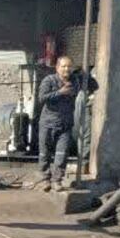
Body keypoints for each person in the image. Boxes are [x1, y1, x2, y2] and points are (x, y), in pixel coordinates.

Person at [35, 55, 97, 191]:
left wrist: (84, 75)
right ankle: (45, 179)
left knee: (61, 154)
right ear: (57, 68)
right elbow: (42, 98)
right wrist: (60, 92)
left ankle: (57, 180)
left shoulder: (75, 82)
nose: (66, 69)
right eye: (63, 66)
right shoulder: (49, 80)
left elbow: (94, 86)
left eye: (69, 66)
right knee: (44, 153)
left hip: (65, 125)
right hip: (48, 123)